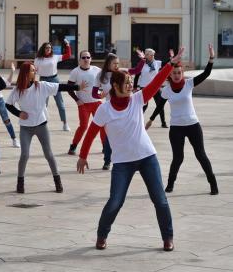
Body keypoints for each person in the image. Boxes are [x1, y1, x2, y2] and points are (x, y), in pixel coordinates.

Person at [77, 47, 185, 252]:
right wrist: (82, 156)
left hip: (147, 157)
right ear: (116, 86)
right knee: (115, 201)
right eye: (126, 83)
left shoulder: (137, 99)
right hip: (122, 163)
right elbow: (91, 133)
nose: (130, 86)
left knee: (160, 200)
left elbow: (154, 84)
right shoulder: (105, 109)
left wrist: (171, 64)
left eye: (130, 83)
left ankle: (168, 237)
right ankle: (101, 235)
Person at [146, 44, 219, 195]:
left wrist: (211, 57)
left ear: (182, 72)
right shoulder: (166, 90)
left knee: (201, 155)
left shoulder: (189, 83)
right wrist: (151, 120)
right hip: (176, 128)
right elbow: (160, 105)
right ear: (170, 75)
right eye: (174, 73)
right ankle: (170, 184)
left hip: (193, 125)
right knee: (178, 158)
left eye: (179, 72)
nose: (177, 75)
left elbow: (206, 73)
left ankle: (213, 184)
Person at [5, 62, 81, 193]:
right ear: (25, 73)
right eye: (32, 70)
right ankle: (20, 183)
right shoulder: (18, 90)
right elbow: (8, 104)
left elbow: (61, 87)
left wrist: (78, 87)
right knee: (24, 155)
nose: (35, 72)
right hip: (26, 128)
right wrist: (19, 113)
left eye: (35, 70)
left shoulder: (41, 86)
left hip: (41, 125)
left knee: (49, 154)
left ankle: (57, 181)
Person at [90, 53, 146, 170]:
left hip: (125, 107)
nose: (117, 66)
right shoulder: (101, 75)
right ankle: (107, 161)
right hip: (109, 109)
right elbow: (94, 93)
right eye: (114, 63)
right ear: (108, 63)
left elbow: (136, 70)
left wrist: (143, 59)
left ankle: (131, 159)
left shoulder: (121, 73)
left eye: (117, 63)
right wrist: (101, 95)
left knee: (127, 135)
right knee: (107, 137)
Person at [67, 50, 106, 157]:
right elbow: (69, 88)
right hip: (83, 104)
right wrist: (77, 100)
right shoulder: (75, 72)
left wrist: (102, 92)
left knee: (102, 125)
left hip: (97, 103)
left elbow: (105, 82)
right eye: (83, 58)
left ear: (91, 59)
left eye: (88, 57)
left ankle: (105, 146)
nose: (86, 60)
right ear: (79, 60)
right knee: (83, 126)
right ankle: (73, 146)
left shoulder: (97, 70)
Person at [34, 40, 72, 131]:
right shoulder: (38, 59)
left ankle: (65, 123)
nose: (48, 49)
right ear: (43, 49)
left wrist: (67, 45)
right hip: (43, 80)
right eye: (47, 48)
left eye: (50, 48)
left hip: (54, 79)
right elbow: (34, 71)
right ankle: (42, 122)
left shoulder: (55, 57)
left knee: (60, 103)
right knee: (43, 104)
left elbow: (68, 55)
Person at [133, 48, 168, 128]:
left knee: (160, 105)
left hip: (155, 87)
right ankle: (138, 122)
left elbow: (167, 64)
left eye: (153, 55)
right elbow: (137, 76)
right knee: (144, 106)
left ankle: (163, 123)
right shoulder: (142, 64)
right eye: (151, 55)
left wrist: (171, 58)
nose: (153, 56)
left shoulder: (157, 63)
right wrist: (135, 87)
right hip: (144, 87)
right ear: (146, 55)